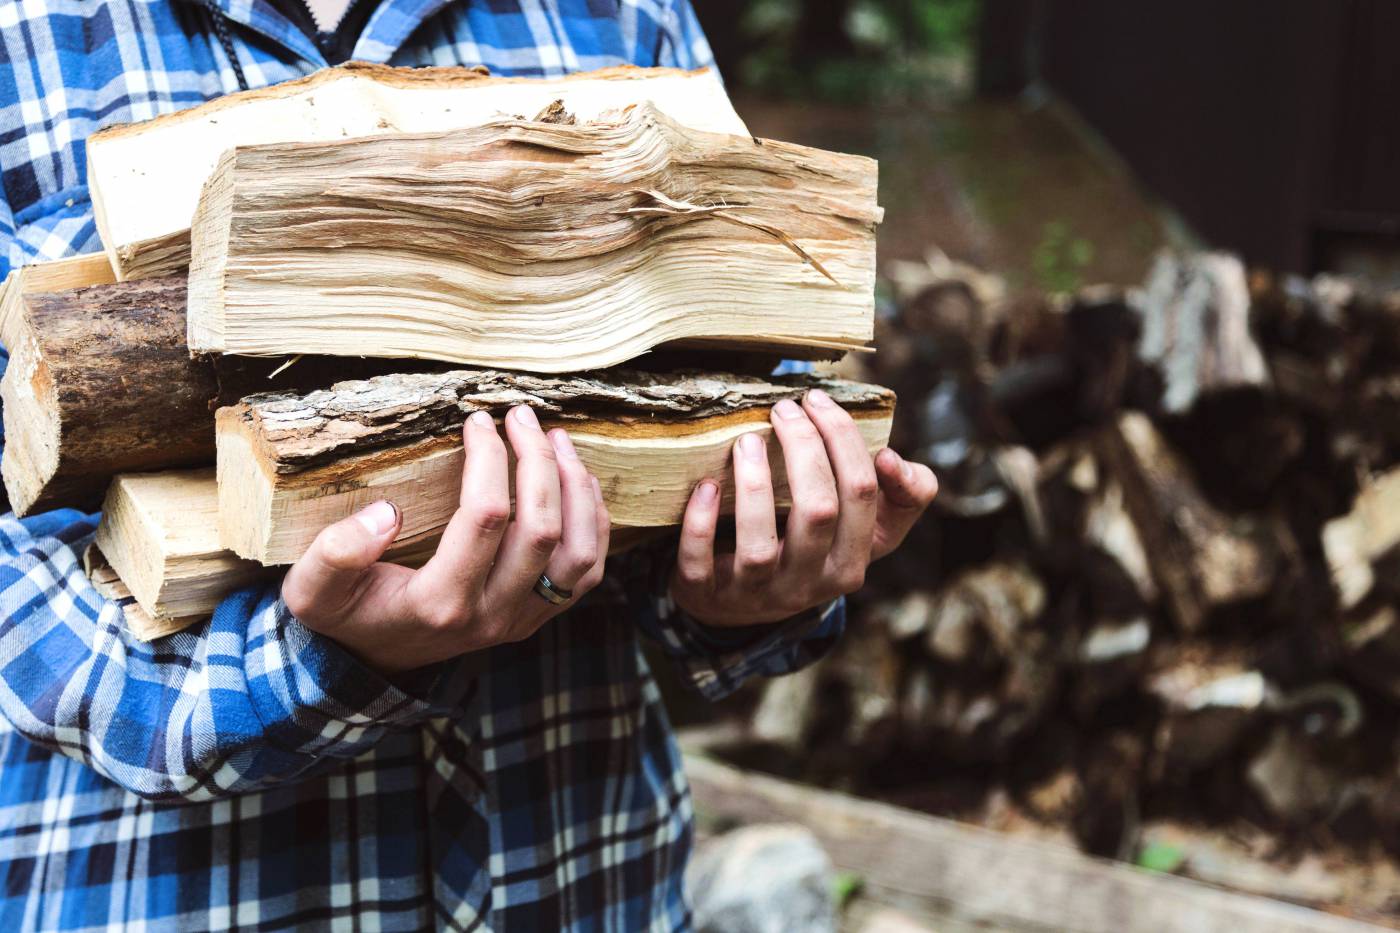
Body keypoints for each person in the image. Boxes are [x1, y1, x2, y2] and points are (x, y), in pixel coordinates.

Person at [0, 0, 939, 928]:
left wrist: (740, 584)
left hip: (583, 879)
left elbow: (717, 385)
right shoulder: (28, 33)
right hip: (172, 892)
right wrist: (315, 663)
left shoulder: (624, 14)